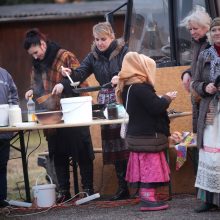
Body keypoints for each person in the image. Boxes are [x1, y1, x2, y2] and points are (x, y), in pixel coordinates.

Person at [53, 21, 129, 200]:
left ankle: (137, 184)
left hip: (123, 98)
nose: (100, 43)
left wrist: (123, 76)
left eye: (103, 39)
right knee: (113, 144)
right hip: (105, 102)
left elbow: (136, 69)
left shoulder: (125, 52)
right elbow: (79, 74)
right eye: (97, 39)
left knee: (127, 140)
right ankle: (123, 185)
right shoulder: (93, 56)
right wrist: (67, 75)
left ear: (111, 36)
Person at [23, 28, 94, 201]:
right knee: (58, 153)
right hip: (52, 115)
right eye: (31, 54)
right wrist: (31, 90)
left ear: (42, 44)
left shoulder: (65, 56)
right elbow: (36, 84)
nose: (35, 56)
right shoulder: (37, 63)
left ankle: (88, 190)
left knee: (82, 152)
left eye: (36, 52)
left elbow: (80, 79)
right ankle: (64, 192)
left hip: (73, 112)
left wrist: (64, 84)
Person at [115, 51, 177, 211]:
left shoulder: (127, 87)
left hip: (137, 135)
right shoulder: (139, 88)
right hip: (148, 136)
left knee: (144, 168)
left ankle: (147, 196)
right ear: (141, 68)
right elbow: (156, 107)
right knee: (150, 168)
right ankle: (148, 199)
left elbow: (145, 107)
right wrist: (167, 98)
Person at [192, 17, 220, 213]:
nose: (217, 32)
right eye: (215, 30)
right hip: (211, 110)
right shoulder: (205, 54)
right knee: (210, 155)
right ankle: (208, 199)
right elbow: (195, 83)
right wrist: (205, 87)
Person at [180, 6, 211, 133]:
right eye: (190, 29)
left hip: (208, 98)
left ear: (206, 27)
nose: (192, 32)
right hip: (199, 95)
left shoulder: (211, 46)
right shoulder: (198, 44)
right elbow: (197, 67)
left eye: (195, 28)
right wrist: (187, 73)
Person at [0, 67, 19, 208]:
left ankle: (1, 200)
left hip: (4, 130)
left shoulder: (4, 74)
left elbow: (13, 95)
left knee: (2, 165)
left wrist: (12, 113)